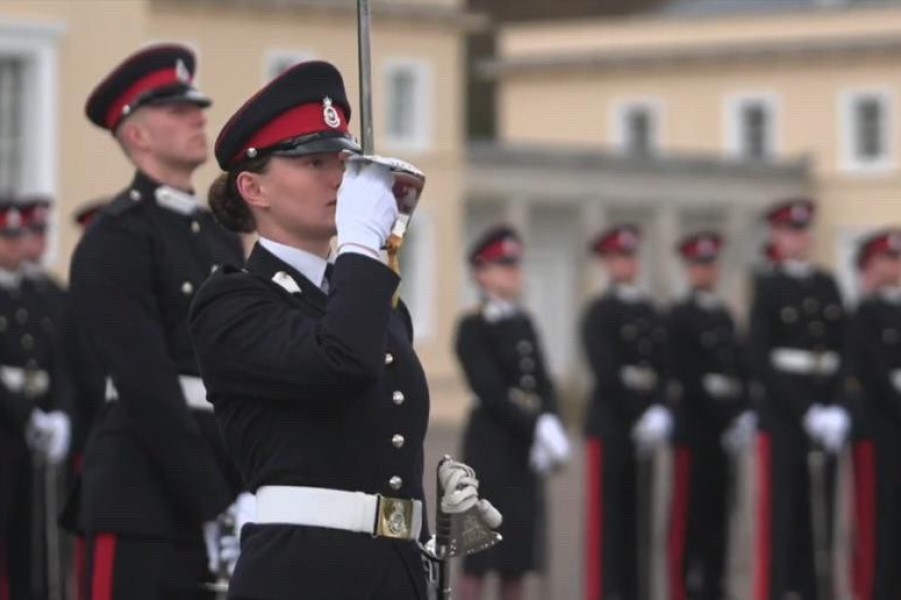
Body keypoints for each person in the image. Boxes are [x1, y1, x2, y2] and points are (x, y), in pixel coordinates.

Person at [188, 59, 494, 600]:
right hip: (304, 570)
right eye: (313, 162)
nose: (341, 177)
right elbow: (340, 364)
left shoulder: (373, 300)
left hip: (394, 569)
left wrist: (433, 515)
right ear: (253, 188)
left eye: (345, 160)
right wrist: (359, 246)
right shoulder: (232, 300)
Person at [70, 43, 249, 599]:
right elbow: (144, 382)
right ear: (138, 135)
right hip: (142, 499)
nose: (199, 118)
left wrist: (246, 488)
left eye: (197, 107)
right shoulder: (118, 236)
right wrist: (214, 500)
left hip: (226, 482)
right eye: (178, 110)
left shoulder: (219, 233)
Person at [454, 225, 570, 600]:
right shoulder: (472, 327)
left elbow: (543, 380)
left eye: (516, 264)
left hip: (523, 455)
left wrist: (553, 420)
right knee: (479, 560)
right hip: (490, 450)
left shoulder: (524, 322)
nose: (515, 273)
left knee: (517, 563)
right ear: (481, 273)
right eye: (505, 265)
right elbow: (490, 390)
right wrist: (538, 425)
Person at [748, 197, 850, 600]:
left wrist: (837, 405)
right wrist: (803, 410)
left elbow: (845, 349)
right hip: (786, 413)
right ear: (777, 237)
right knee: (783, 511)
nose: (800, 239)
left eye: (804, 231)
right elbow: (760, 356)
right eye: (791, 232)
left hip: (825, 406)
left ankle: (814, 590)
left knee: (821, 512)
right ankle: (779, 589)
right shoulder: (769, 287)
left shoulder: (827, 285)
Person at [581, 224, 672, 600]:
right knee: (609, 524)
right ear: (606, 263)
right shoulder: (600, 312)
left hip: (645, 431)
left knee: (641, 524)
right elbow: (607, 372)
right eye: (618, 257)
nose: (626, 264)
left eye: (631, 256)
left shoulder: (651, 311)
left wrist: (661, 410)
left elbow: (665, 366)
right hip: (613, 426)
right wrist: (641, 411)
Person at [665, 231, 754, 600]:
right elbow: (686, 374)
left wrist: (743, 413)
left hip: (724, 433)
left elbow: (740, 368)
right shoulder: (679, 316)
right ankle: (684, 588)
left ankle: (716, 587)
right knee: (688, 518)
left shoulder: (724, 317)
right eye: (700, 265)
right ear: (689, 269)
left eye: (712, 264)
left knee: (721, 515)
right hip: (695, 429)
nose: (707, 271)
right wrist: (723, 411)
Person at [0, 199, 70, 600]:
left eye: (19, 235)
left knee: (32, 540)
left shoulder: (37, 294)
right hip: (7, 429)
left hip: (34, 433)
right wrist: (26, 414)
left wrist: (58, 412)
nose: (16, 243)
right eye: (7, 236)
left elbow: (58, 357)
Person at [846, 229, 901, 600]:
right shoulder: (864, 314)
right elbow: (876, 375)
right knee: (877, 524)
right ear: (869, 266)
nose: (896, 266)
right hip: (879, 432)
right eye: (888, 259)